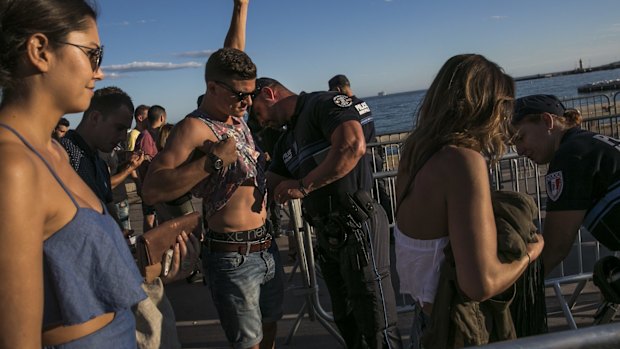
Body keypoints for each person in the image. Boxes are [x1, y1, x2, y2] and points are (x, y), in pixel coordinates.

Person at [0, 0, 147, 347]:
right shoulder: (13, 167)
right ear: (39, 50)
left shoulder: (52, 151)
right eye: (93, 54)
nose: (100, 72)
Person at [142, 1, 285, 348]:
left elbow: (232, 51)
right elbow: (152, 189)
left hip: (267, 248)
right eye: (240, 95)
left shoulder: (235, 113)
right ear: (213, 88)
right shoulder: (193, 129)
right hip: (233, 258)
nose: (249, 103)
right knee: (248, 344)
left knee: (270, 336)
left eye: (251, 94)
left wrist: (241, 7)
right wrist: (210, 163)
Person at [394, 54, 545, 348]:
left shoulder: (414, 155)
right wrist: (531, 252)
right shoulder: (462, 162)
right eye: (503, 109)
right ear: (485, 107)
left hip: (426, 321)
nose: (504, 120)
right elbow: (480, 284)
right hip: (457, 329)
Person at [252, 77, 403, 349]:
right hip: (328, 235)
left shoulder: (322, 104)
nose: (261, 123)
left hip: (357, 223)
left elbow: (351, 145)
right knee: (347, 318)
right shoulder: (287, 138)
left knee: (376, 321)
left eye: (257, 112)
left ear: (268, 94)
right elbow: (269, 179)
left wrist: (302, 185)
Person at [511, 94, 620, 274]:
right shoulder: (589, 142)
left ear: (547, 121)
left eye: (521, 137)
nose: (519, 151)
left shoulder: (570, 157)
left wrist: (514, 289)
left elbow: (555, 248)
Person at [60, 86, 145, 221]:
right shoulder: (63, 155)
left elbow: (108, 210)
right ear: (95, 118)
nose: (123, 137)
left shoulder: (98, 162)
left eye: (126, 130)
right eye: (119, 128)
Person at [328, 74, 394, 223]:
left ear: (338, 89)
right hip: (375, 153)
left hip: (364, 157)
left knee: (367, 195)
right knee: (380, 191)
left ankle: (382, 225)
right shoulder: (363, 104)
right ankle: (390, 223)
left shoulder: (348, 108)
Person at [136, 105, 167, 230]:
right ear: (162, 118)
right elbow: (144, 163)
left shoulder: (152, 135)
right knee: (150, 218)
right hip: (151, 186)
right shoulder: (146, 136)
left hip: (156, 185)